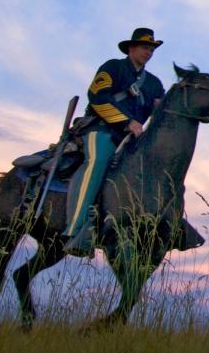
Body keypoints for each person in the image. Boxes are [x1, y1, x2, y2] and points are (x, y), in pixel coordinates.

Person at [63, 28, 167, 256]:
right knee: (97, 161)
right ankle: (75, 229)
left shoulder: (154, 83)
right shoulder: (113, 67)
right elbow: (98, 97)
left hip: (134, 141)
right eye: (144, 47)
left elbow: (159, 109)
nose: (148, 52)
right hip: (102, 130)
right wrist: (127, 122)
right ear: (131, 48)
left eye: (151, 49)